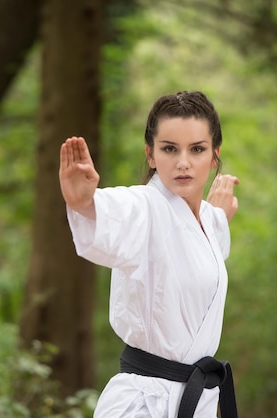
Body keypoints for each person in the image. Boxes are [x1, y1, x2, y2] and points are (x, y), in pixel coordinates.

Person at [59, 91, 240, 418]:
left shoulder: (207, 223)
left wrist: (219, 214)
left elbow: (202, 249)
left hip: (198, 401)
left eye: (196, 149)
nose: (183, 162)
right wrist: (84, 203)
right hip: (143, 404)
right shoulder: (144, 210)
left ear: (214, 156)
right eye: (170, 149)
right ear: (151, 155)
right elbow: (116, 213)